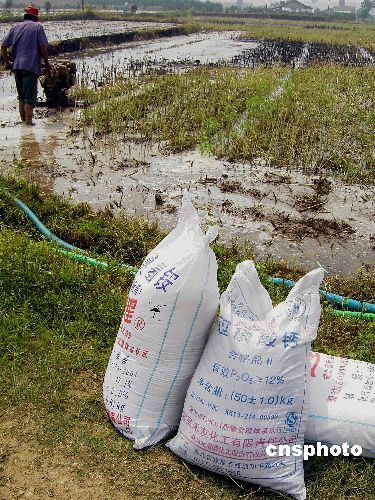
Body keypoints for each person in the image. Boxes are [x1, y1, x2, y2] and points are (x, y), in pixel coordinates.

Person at [1, 6, 50, 125]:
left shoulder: (15, 27)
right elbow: (43, 47)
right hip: (31, 66)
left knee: (21, 96)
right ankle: (29, 123)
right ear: (35, 18)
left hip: (16, 66)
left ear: (25, 16)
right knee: (29, 97)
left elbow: (3, 46)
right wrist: (47, 63)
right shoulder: (38, 27)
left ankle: (23, 122)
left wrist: (7, 62)